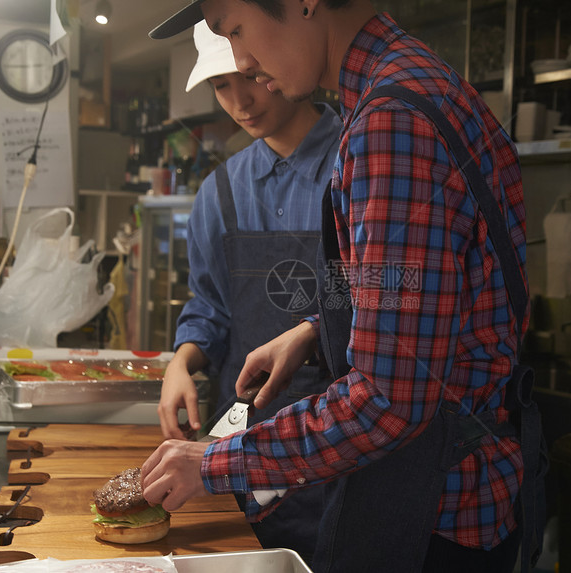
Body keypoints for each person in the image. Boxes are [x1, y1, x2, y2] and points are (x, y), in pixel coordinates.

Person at [144, 2, 546, 572]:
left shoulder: (390, 122)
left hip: (428, 509)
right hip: (444, 493)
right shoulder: (417, 83)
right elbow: (417, 282)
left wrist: (212, 462)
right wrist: (314, 328)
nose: (243, 62)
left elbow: (387, 401)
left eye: (235, 30)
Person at [158, 21, 342, 559]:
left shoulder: (361, 160)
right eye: (220, 86)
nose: (239, 100)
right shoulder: (220, 191)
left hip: (341, 442)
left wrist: (315, 328)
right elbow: (210, 305)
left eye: (247, 77)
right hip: (246, 441)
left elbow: (384, 299)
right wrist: (181, 361)